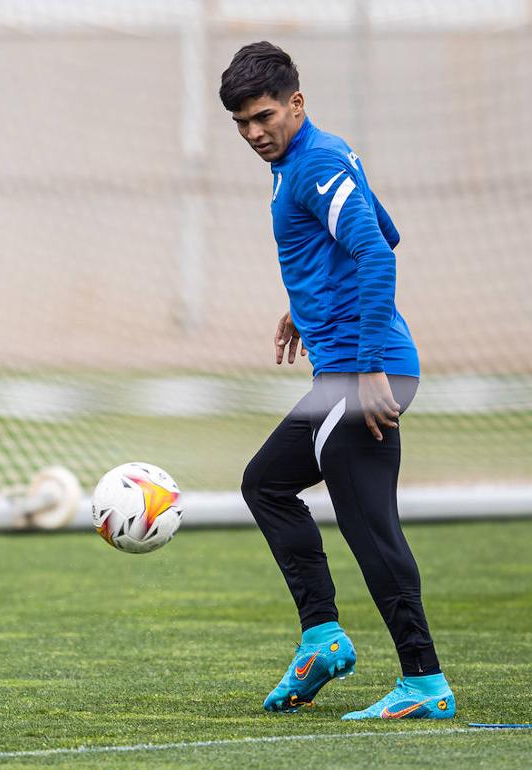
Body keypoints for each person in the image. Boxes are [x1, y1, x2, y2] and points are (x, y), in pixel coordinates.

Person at [219, 42, 454, 720]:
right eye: (241, 123)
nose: (254, 133)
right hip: (351, 367)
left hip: (362, 373)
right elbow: (382, 228)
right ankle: (322, 639)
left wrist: (373, 359)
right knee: (265, 482)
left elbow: (376, 250)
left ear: (297, 102)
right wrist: (304, 303)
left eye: (263, 116)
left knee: (370, 527)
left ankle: (423, 682)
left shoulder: (315, 162)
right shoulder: (306, 158)